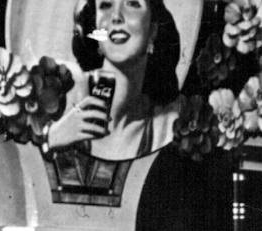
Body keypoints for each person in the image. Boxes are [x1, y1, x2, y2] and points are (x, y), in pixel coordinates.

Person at [45, 0, 184, 160]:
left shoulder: (170, 125)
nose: (116, 16)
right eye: (105, 5)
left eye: (132, 4)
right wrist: (50, 138)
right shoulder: (61, 99)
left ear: (153, 31)